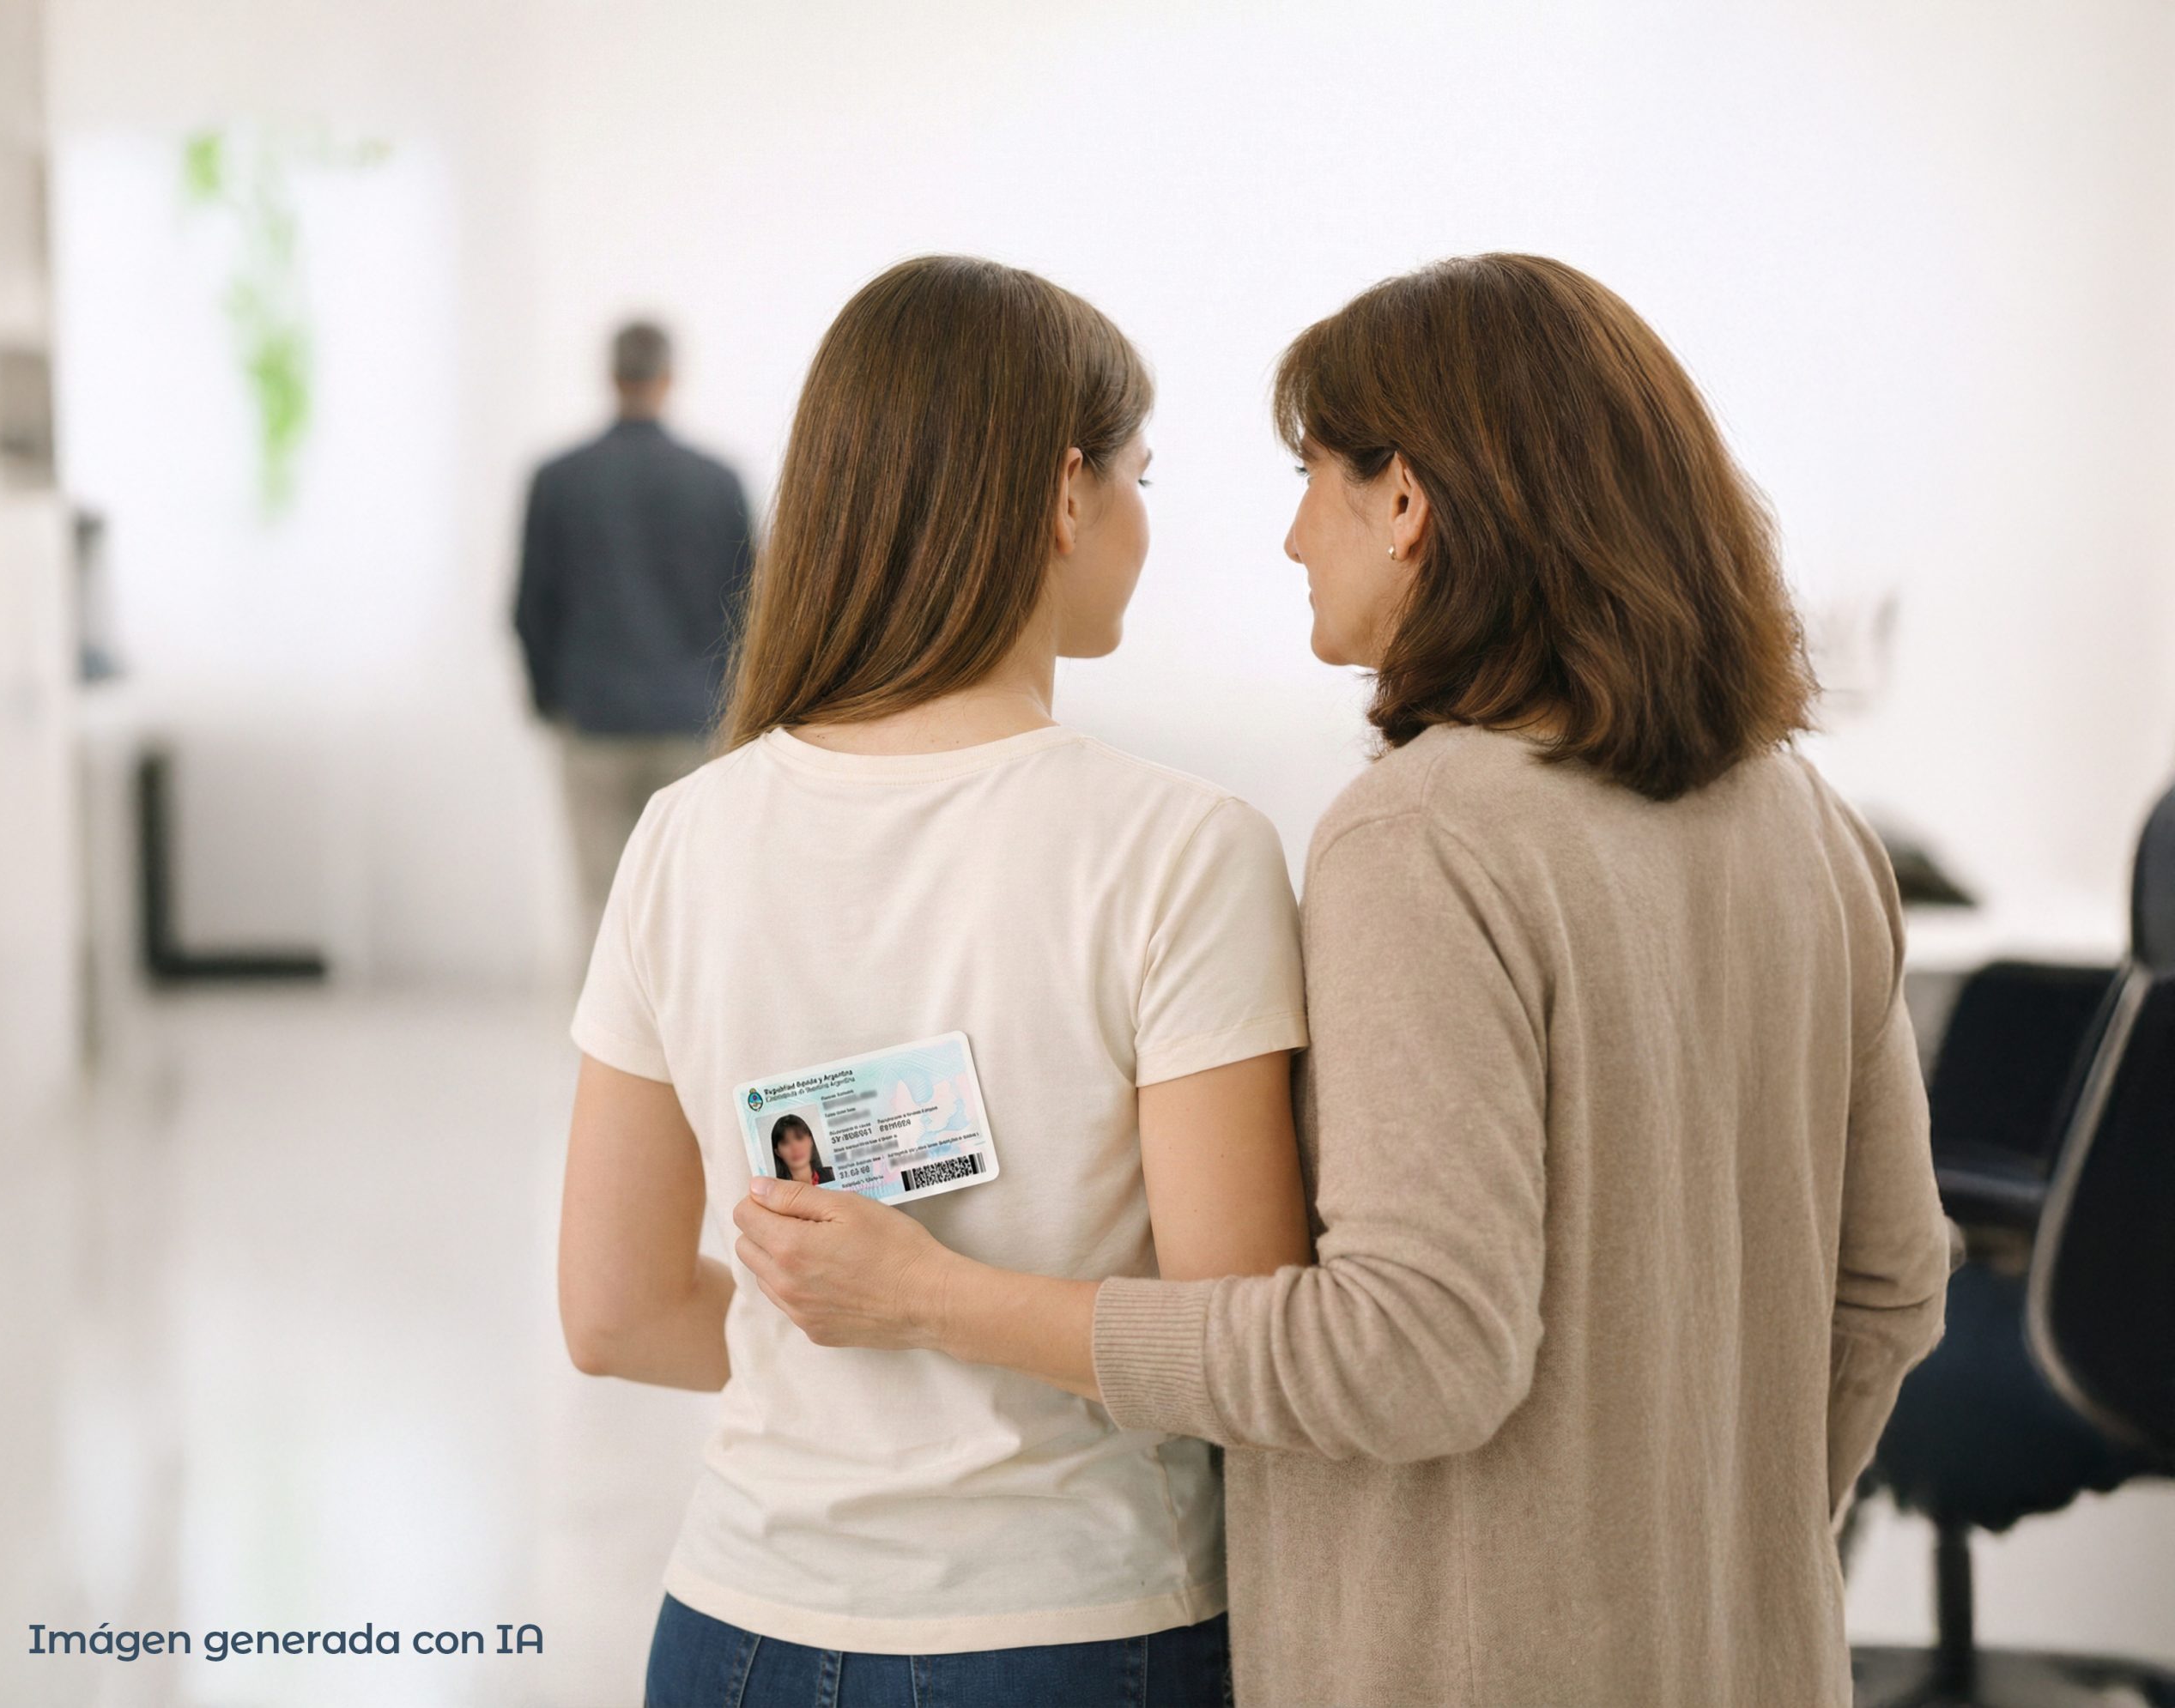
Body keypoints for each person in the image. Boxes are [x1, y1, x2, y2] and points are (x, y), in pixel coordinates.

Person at [734, 255, 1956, 1707]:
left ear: (1408, 500)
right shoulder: (1811, 825)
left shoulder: (1425, 835)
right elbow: (1891, 1288)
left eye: (1314, 476)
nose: (1294, 534)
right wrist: (1724, 1555)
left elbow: (1410, 1350)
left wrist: (943, 1301)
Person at [555, 257, 1312, 1707]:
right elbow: (1243, 1341)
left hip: (733, 1628)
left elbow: (612, 1313)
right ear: (1062, 496)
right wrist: (930, 1310)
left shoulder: (684, 836)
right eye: (1139, 475)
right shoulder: (1183, 849)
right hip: (1082, 1630)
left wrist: (854, 1344)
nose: (1147, 521)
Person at [513, 320, 755, 935]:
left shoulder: (559, 479)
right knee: (688, 902)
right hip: (693, 720)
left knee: (602, 903)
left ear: (611, 375)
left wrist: (552, 701)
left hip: (593, 716)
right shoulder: (716, 481)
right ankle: (686, 1032)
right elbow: (749, 606)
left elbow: (528, 607)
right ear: (669, 377)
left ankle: (604, 1033)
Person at [766, 1115, 832, 1186]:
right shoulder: (778, 1191)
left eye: (799, 1138)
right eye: (785, 1142)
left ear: (810, 1141)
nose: (795, 1148)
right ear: (778, 1152)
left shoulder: (833, 1174)